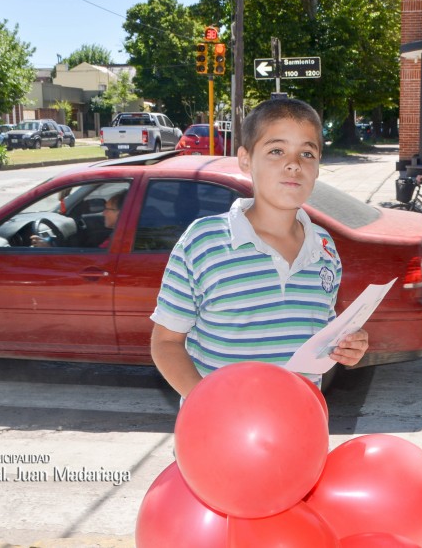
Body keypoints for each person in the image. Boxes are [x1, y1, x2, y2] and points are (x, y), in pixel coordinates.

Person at [149, 98, 369, 399]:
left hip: (297, 423)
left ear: (318, 166)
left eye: (307, 153)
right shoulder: (203, 242)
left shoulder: (324, 248)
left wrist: (346, 347)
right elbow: (165, 343)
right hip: (218, 424)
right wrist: (208, 405)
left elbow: (317, 335)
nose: (294, 164)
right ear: (245, 159)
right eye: (276, 151)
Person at [31, 189, 126, 248]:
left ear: (121, 213)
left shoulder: (119, 241)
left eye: (108, 209)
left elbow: (91, 263)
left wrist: (50, 249)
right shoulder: (120, 236)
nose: (103, 213)